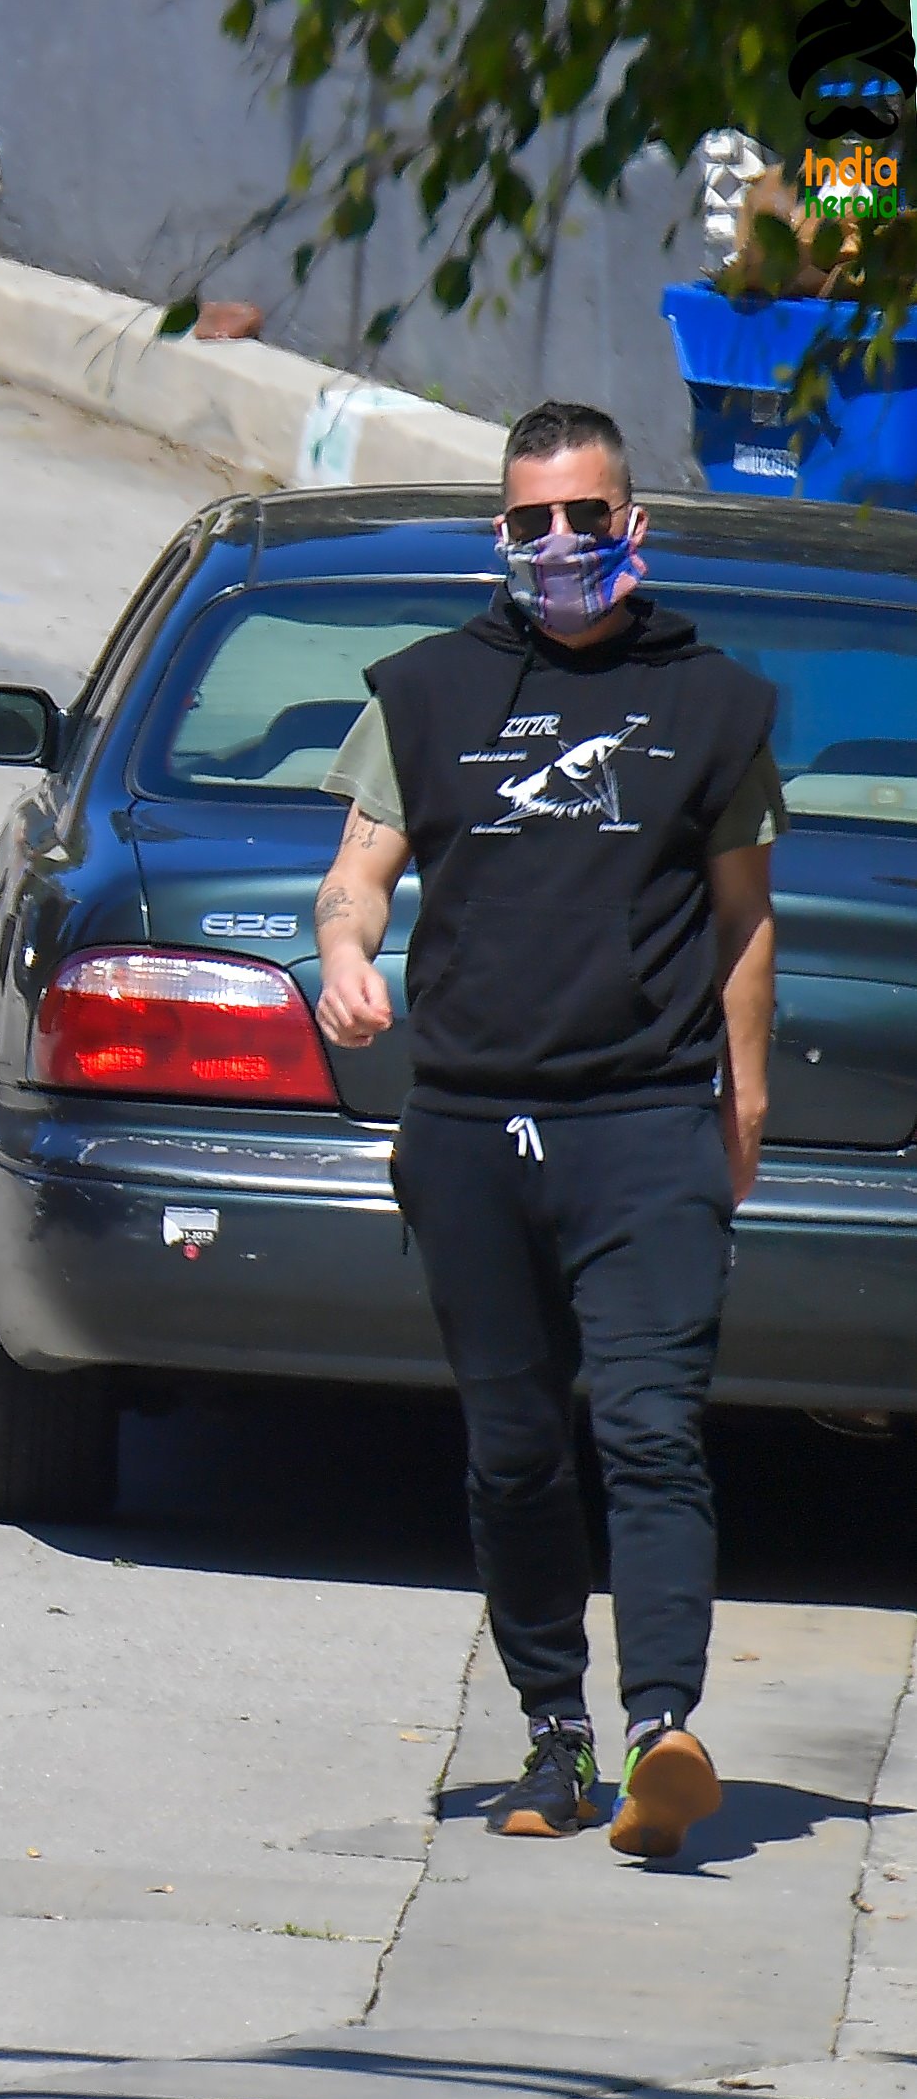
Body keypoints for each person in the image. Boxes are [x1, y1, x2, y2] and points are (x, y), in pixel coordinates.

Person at [312, 400, 782, 1861]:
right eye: (534, 522)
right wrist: (342, 961)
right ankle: (553, 1735)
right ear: (500, 537)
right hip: (467, 1126)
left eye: (587, 516)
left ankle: (663, 1729)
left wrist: (743, 1099)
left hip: (643, 1123)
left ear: (632, 523)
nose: (562, 543)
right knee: (513, 1448)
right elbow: (354, 875)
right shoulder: (421, 692)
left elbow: (740, 918)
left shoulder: (715, 702)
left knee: (648, 1431)